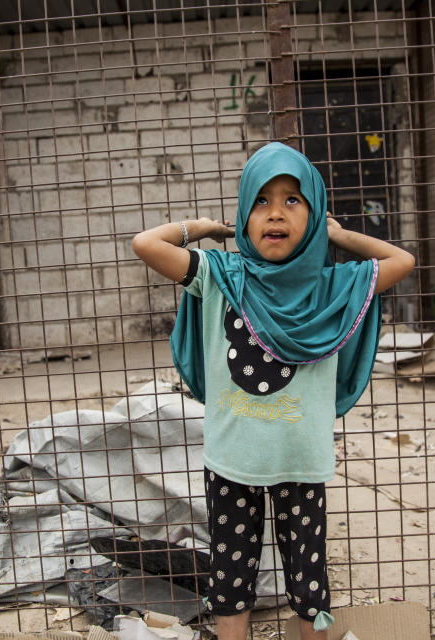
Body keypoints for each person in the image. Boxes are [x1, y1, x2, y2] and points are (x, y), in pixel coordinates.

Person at [132, 142, 414, 640]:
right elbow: (145, 245)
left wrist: (341, 235)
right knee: (230, 577)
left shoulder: (335, 287)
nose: (275, 213)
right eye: (260, 201)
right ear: (244, 212)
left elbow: (403, 259)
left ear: (315, 212)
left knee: (309, 582)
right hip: (232, 463)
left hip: (301, 464)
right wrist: (203, 228)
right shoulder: (222, 276)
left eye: (292, 200)